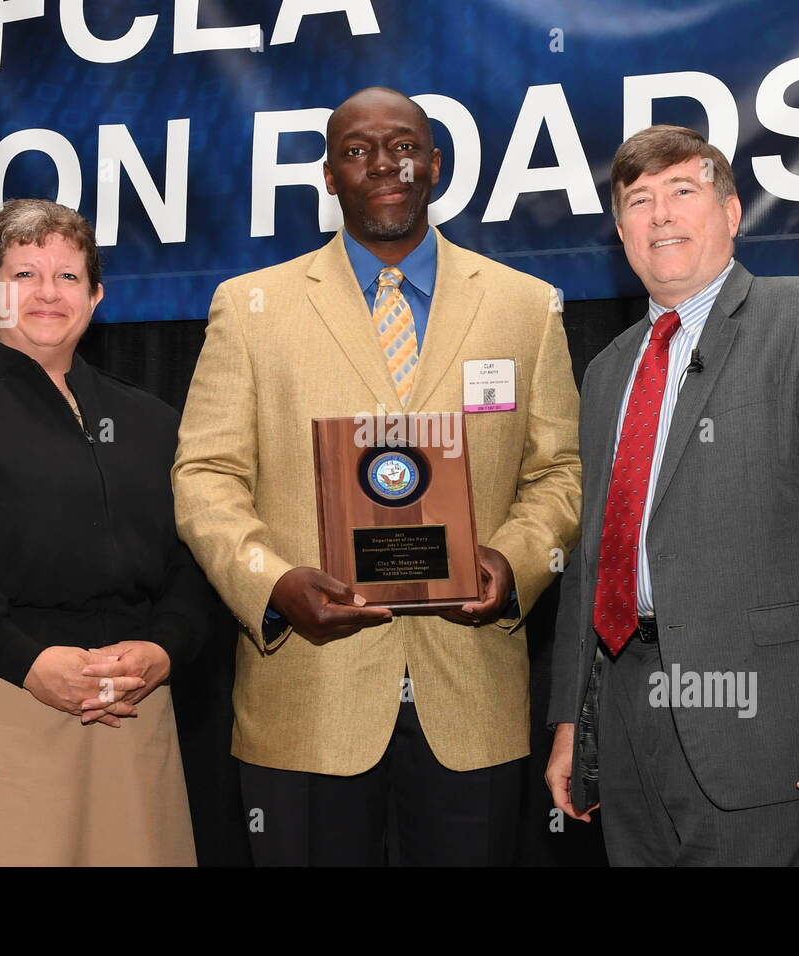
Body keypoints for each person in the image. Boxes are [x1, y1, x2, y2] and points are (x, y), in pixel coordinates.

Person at [172, 87, 582, 865]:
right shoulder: (251, 308)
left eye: (402, 145)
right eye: (357, 151)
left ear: (435, 162)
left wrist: (515, 561)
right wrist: (273, 586)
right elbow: (205, 476)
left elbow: (558, 471)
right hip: (308, 701)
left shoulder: (524, 307)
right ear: (329, 176)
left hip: (471, 701)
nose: (384, 164)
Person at [545, 125, 799, 865]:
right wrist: (569, 724)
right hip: (624, 727)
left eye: (683, 191)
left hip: (768, 726)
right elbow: (591, 558)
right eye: (639, 201)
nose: (661, 214)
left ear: (733, 211)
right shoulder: (608, 372)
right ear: (621, 233)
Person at [0, 199, 203, 865]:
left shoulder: (154, 422)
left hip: (130, 712)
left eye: (69, 276)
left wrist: (163, 651)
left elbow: (192, 564)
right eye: (24, 275)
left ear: (97, 294)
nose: (48, 293)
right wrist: (26, 661)